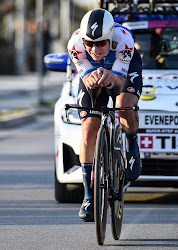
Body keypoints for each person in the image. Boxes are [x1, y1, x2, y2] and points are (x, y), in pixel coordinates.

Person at [67, 8, 143, 222]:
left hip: (123, 69)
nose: (94, 49)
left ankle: (131, 145)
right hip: (93, 72)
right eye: (90, 43)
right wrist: (92, 75)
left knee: (124, 105)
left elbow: (119, 82)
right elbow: (87, 76)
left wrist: (113, 76)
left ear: (110, 38)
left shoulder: (124, 39)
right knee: (89, 127)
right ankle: (89, 196)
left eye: (101, 43)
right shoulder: (75, 45)